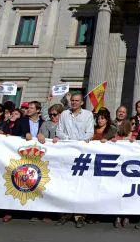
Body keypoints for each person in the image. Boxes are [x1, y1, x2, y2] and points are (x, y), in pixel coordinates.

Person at [54, 93, 94, 228]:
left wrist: (79, 142)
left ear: (82, 102)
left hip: (81, 153)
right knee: (66, 184)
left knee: (81, 184)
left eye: (77, 101)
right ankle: (65, 214)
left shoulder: (88, 115)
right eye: (72, 101)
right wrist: (69, 141)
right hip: (67, 151)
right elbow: (59, 131)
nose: (74, 103)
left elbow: (90, 133)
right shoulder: (64, 114)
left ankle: (80, 216)